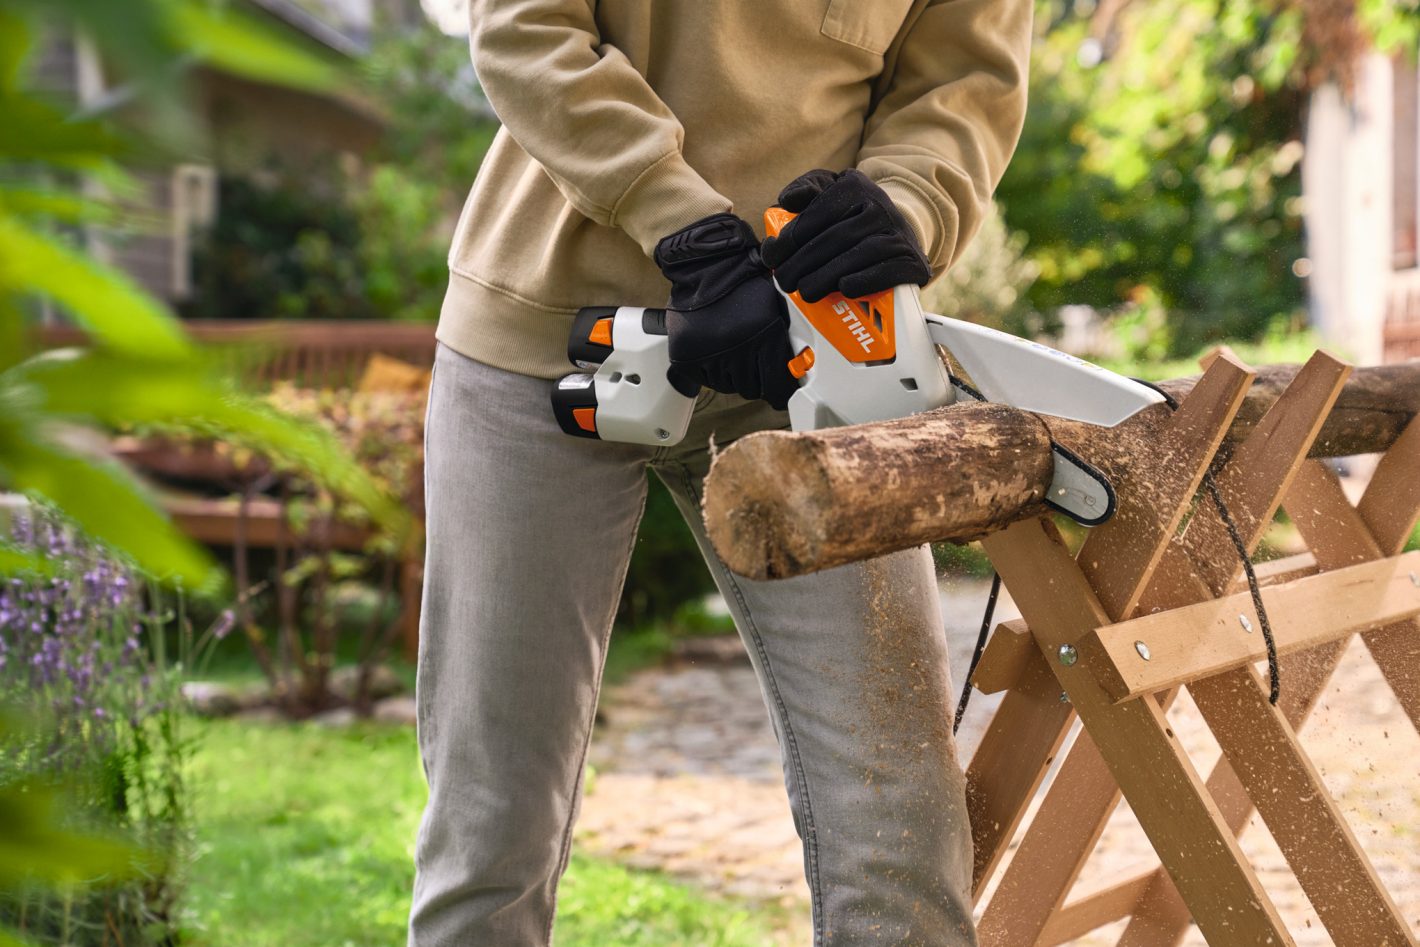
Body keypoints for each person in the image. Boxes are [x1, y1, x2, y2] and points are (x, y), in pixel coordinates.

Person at [408, 1, 1031, 944]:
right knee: (490, 828)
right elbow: (525, 28)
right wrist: (688, 229)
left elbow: (962, 83)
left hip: (809, 354)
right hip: (544, 341)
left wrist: (902, 206)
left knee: (899, 828)